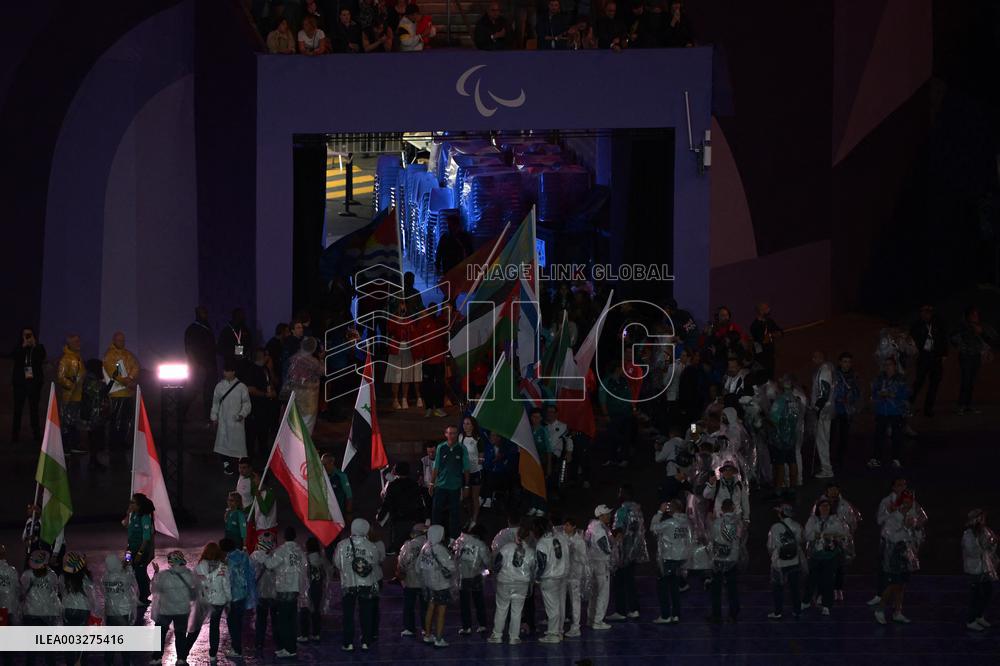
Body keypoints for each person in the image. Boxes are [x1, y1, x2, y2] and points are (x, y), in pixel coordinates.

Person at [874, 490, 927, 624]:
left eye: (910, 500)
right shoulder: (893, 517)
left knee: (902, 585)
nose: (908, 503)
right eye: (905, 500)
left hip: (907, 552)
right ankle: (879, 610)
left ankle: (898, 611)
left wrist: (916, 530)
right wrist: (904, 526)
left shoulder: (913, 516)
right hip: (895, 553)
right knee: (893, 584)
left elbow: (918, 535)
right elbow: (888, 536)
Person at [334, 519, 382, 651]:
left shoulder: (342, 545)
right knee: (365, 613)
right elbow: (375, 562)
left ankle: (348, 643)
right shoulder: (371, 546)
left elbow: (337, 563)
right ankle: (365, 641)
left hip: (348, 583)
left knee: (348, 614)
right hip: (366, 583)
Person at [488, 522, 536, 645]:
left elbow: (497, 565)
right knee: (517, 611)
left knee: (501, 609)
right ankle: (514, 637)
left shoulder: (506, 548)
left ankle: (497, 635)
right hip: (522, 584)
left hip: (505, 582)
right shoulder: (530, 552)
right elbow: (533, 570)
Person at [802, 498, 849, 616]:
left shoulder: (836, 519)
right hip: (816, 555)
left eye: (827, 506)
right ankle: (806, 601)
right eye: (822, 506)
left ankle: (826, 605)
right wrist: (827, 534)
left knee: (828, 581)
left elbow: (841, 533)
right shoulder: (812, 520)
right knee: (811, 579)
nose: (825, 508)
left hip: (830, 555)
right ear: (818, 508)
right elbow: (808, 535)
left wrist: (823, 534)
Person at [265, 527, 307, 659]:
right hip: (295, 588)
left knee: (283, 621)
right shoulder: (300, 551)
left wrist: (263, 556)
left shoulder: (281, 550)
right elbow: (305, 567)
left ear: (285, 537)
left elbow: (270, 565)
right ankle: (291, 647)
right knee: (292, 620)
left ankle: (288, 648)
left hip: (283, 589)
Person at [186, 542, 231, 665]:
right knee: (214, 627)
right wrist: (229, 599)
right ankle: (213, 654)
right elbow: (226, 585)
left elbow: (195, 583)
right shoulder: (223, 567)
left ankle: (184, 652)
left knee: (196, 627)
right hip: (219, 600)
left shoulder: (201, 566)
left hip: (204, 600)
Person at [649, 499, 692, 624]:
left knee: (662, 588)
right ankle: (676, 614)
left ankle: (665, 615)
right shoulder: (687, 522)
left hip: (669, 559)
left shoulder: (670, 522)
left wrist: (659, 512)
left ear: (671, 509)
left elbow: (653, 529)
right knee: (674, 588)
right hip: (681, 559)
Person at [150, 551, 196, 666]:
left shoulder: (164, 575)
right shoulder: (189, 574)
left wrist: (156, 573)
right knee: (180, 634)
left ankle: (157, 658)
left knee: (160, 633)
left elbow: (154, 589)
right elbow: (194, 593)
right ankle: (181, 659)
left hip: (165, 610)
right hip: (182, 610)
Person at [609, 485, 647, 620]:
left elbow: (618, 532)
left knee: (619, 581)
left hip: (623, 551)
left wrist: (613, 547)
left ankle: (621, 611)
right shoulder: (637, 510)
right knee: (630, 581)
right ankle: (634, 609)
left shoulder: (622, 511)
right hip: (634, 550)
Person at [950, 306, 997, 414]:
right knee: (966, 380)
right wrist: (964, 341)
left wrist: (981, 333)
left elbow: (990, 339)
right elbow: (953, 338)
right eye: (973, 315)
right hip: (966, 356)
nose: (975, 317)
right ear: (968, 316)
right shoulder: (963, 326)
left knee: (971, 381)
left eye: (976, 315)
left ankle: (968, 405)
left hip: (976, 356)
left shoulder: (981, 326)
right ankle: (961, 405)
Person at [211, 358, 252, 476]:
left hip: (236, 420)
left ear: (233, 372)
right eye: (224, 371)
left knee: (237, 444)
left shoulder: (241, 387)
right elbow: (215, 402)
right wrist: (214, 417)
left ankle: (240, 466)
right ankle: (226, 464)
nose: (225, 373)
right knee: (223, 443)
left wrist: (242, 414)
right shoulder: (219, 386)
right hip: (224, 420)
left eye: (227, 371)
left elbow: (246, 403)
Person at [419, 524, 456, 647]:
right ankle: (439, 639)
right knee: (441, 612)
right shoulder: (440, 549)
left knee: (430, 608)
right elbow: (451, 567)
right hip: (441, 584)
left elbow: (418, 566)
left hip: (429, 584)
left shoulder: (425, 547)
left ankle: (428, 635)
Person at [103, 331, 140, 454]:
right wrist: (127, 381)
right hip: (116, 393)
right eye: (119, 340)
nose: (122, 342)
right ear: (114, 340)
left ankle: (122, 441)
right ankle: (114, 444)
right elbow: (114, 371)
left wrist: (130, 378)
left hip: (128, 393)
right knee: (115, 420)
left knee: (126, 420)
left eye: (123, 340)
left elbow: (135, 366)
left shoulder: (128, 354)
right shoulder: (110, 355)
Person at [431, 425, 470, 540]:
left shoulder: (462, 449)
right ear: (445, 434)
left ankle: (454, 539)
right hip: (441, 486)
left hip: (455, 487)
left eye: (454, 433)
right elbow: (436, 466)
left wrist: (466, 486)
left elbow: (466, 468)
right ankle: (435, 538)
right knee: (436, 512)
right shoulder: (440, 447)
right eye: (449, 433)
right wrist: (432, 483)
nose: (451, 435)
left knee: (455, 513)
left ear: (457, 435)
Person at [868, 357, 908, 469]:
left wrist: (893, 395)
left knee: (897, 436)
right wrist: (878, 395)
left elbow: (906, 394)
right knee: (879, 435)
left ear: (895, 366)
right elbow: (874, 392)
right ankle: (877, 458)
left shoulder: (901, 379)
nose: (887, 367)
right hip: (881, 410)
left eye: (890, 364)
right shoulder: (879, 379)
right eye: (885, 365)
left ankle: (896, 458)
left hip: (895, 411)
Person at [534, 516, 570, 643]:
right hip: (562, 576)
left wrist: (537, 577)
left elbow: (541, 564)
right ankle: (559, 631)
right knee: (560, 605)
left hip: (550, 578)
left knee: (552, 607)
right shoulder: (561, 537)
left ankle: (553, 634)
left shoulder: (542, 543)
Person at [377, 461, 425, 553]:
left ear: (396, 471)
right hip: (412, 520)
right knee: (410, 548)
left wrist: (380, 516)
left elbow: (387, 503)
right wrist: (423, 518)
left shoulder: (393, 486)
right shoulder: (414, 484)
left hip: (397, 521)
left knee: (397, 548)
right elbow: (420, 503)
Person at [962, 509, 997, 631]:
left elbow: (990, 549)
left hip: (985, 568)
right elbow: (972, 552)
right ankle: (970, 620)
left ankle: (979, 616)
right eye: (980, 518)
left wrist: (993, 543)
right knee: (975, 596)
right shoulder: (968, 534)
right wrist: (986, 545)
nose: (983, 521)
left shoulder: (985, 531)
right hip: (974, 569)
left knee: (988, 592)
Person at [240, 348, 278, 462]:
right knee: (251, 436)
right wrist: (265, 394)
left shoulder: (265, 369)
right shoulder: (251, 370)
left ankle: (263, 457)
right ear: (263, 356)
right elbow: (250, 389)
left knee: (264, 434)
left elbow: (273, 382)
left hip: (265, 408)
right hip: (254, 408)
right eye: (267, 355)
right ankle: (249, 460)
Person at [909, 304, 947, 417]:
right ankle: (908, 405)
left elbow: (943, 338)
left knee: (934, 384)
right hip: (924, 356)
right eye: (925, 312)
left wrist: (944, 354)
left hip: (936, 357)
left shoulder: (937, 323)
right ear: (921, 313)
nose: (927, 314)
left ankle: (928, 409)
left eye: (929, 312)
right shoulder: (917, 325)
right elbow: (912, 339)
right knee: (918, 382)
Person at [767, 503, 803, 620]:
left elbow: (771, 546)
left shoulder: (775, 527)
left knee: (778, 588)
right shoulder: (797, 526)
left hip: (779, 562)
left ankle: (778, 612)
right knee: (795, 588)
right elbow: (801, 541)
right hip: (794, 561)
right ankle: (797, 611)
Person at [221, 537, 256, 659]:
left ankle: (236, 649)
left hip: (233, 597)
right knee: (239, 623)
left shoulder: (228, 561)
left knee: (232, 624)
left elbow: (228, 581)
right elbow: (251, 573)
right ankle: (237, 648)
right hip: (243, 593)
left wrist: (226, 600)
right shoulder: (244, 556)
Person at [709, 499, 743, 623]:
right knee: (732, 588)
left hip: (718, 558)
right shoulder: (738, 523)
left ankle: (716, 615)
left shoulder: (716, 523)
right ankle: (733, 614)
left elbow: (711, 539)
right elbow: (739, 539)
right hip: (732, 558)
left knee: (716, 589)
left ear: (722, 509)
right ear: (733, 508)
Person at [59, 552, 96, 665]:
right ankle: (80, 662)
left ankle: (70, 662)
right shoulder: (85, 578)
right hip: (83, 610)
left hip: (68, 609)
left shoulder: (62, 577)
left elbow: (61, 592)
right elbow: (91, 596)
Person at [453, 524, 490, 635]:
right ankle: (482, 624)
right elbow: (487, 561)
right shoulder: (480, 544)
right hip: (476, 576)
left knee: (464, 603)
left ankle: (466, 627)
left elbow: (454, 558)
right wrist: (486, 570)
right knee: (479, 601)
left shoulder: (459, 541)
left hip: (463, 576)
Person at [100, 552, 137, 662]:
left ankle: (108, 662)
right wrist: (128, 565)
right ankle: (126, 662)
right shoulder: (124, 576)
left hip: (110, 613)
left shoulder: (105, 577)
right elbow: (133, 582)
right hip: (123, 612)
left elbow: (103, 592)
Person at [11, 327, 46, 443]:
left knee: (34, 409)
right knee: (18, 410)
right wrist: (23, 345)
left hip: (34, 384)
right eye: (25, 335)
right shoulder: (19, 347)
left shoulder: (38, 348)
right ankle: (15, 435)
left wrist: (34, 345)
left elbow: (41, 358)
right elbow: (15, 357)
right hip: (20, 383)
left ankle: (36, 435)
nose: (28, 337)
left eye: (30, 335)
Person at [184, 306, 217, 422]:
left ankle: (208, 418)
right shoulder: (192, 329)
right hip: (198, 367)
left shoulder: (207, 327)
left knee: (209, 392)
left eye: (206, 312)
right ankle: (181, 413)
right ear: (197, 313)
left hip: (210, 365)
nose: (206, 314)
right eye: (203, 312)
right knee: (192, 391)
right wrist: (196, 365)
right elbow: (188, 349)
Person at [55, 334, 86, 456]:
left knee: (74, 422)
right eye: (75, 342)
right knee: (67, 422)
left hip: (78, 396)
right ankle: (66, 447)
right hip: (69, 396)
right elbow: (61, 377)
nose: (78, 343)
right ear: (69, 344)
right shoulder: (66, 359)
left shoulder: (78, 358)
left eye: (79, 341)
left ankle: (74, 445)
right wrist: (71, 385)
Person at [123, 493, 155, 609]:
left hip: (141, 551)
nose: (130, 504)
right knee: (126, 565)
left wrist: (140, 554)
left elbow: (146, 539)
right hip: (130, 549)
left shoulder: (145, 518)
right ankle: (136, 594)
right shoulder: (134, 515)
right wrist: (128, 514)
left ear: (139, 505)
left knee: (140, 572)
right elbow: (125, 525)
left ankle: (144, 597)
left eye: (133, 502)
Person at [585, 504, 614, 630]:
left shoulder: (591, 526)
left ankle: (591, 619)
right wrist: (614, 546)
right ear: (601, 515)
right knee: (603, 593)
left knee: (594, 593)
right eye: (607, 514)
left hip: (592, 563)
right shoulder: (600, 530)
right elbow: (606, 549)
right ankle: (598, 621)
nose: (609, 516)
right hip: (601, 564)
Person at [397, 524, 429, 637]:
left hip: (410, 580)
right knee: (425, 607)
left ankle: (409, 628)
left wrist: (400, 574)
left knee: (409, 606)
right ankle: (426, 628)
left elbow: (402, 562)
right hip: (426, 581)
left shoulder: (409, 545)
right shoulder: (431, 545)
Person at [250, 532, 278, 655]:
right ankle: (278, 643)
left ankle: (259, 643)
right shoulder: (276, 556)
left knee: (261, 620)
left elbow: (250, 574)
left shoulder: (254, 555)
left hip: (260, 593)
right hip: (274, 592)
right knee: (276, 619)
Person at [831, 352, 860, 470]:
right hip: (834, 409)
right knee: (831, 435)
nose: (847, 364)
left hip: (846, 411)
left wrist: (850, 398)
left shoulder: (854, 376)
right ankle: (828, 457)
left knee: (844, 435)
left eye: (849, 362)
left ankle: (840, 458)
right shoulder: (834, 375)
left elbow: (857, 392)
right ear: (839, 362)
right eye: (844, 361)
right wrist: (838, 398)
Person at [299, 536, 330, 642]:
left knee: (304, 609)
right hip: (318, 586)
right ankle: (316, 633)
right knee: (316, 610)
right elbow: (327, 573)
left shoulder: (305, 558)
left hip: (307, 587)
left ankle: (304, 634)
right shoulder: (321, 558)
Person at [810, 351, 835, 479]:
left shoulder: (824, 371)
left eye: (814, 357)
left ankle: (827, 469)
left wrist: (817, 408)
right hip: (825, 410)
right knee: (823, 440)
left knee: (822, 441)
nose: (813, 360)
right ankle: (826, 467)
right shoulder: (826, 369)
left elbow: (824, 393)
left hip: (823, 411)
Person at [459, 416, 487, 528]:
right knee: (465, 497)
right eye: (464, 423)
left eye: (468, 423)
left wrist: (475, 463)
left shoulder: (478, 439)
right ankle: (469, 516)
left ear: (473, 425)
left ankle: (474, 520)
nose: (465, 426)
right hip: (464, 472)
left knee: (474, 496)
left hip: (475, 472)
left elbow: (481, 456)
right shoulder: (460, 437)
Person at [748, 303, 781, 381]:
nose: (769, 310)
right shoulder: (754, 325)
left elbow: (779, 332)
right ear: (760, 311)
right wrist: (771, 335)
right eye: (766, 309)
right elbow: (762, 340)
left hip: (770, 354)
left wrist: (771, 335)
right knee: (760, 377)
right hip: (760, 357)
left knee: (770, 376)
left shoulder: (769, 321)